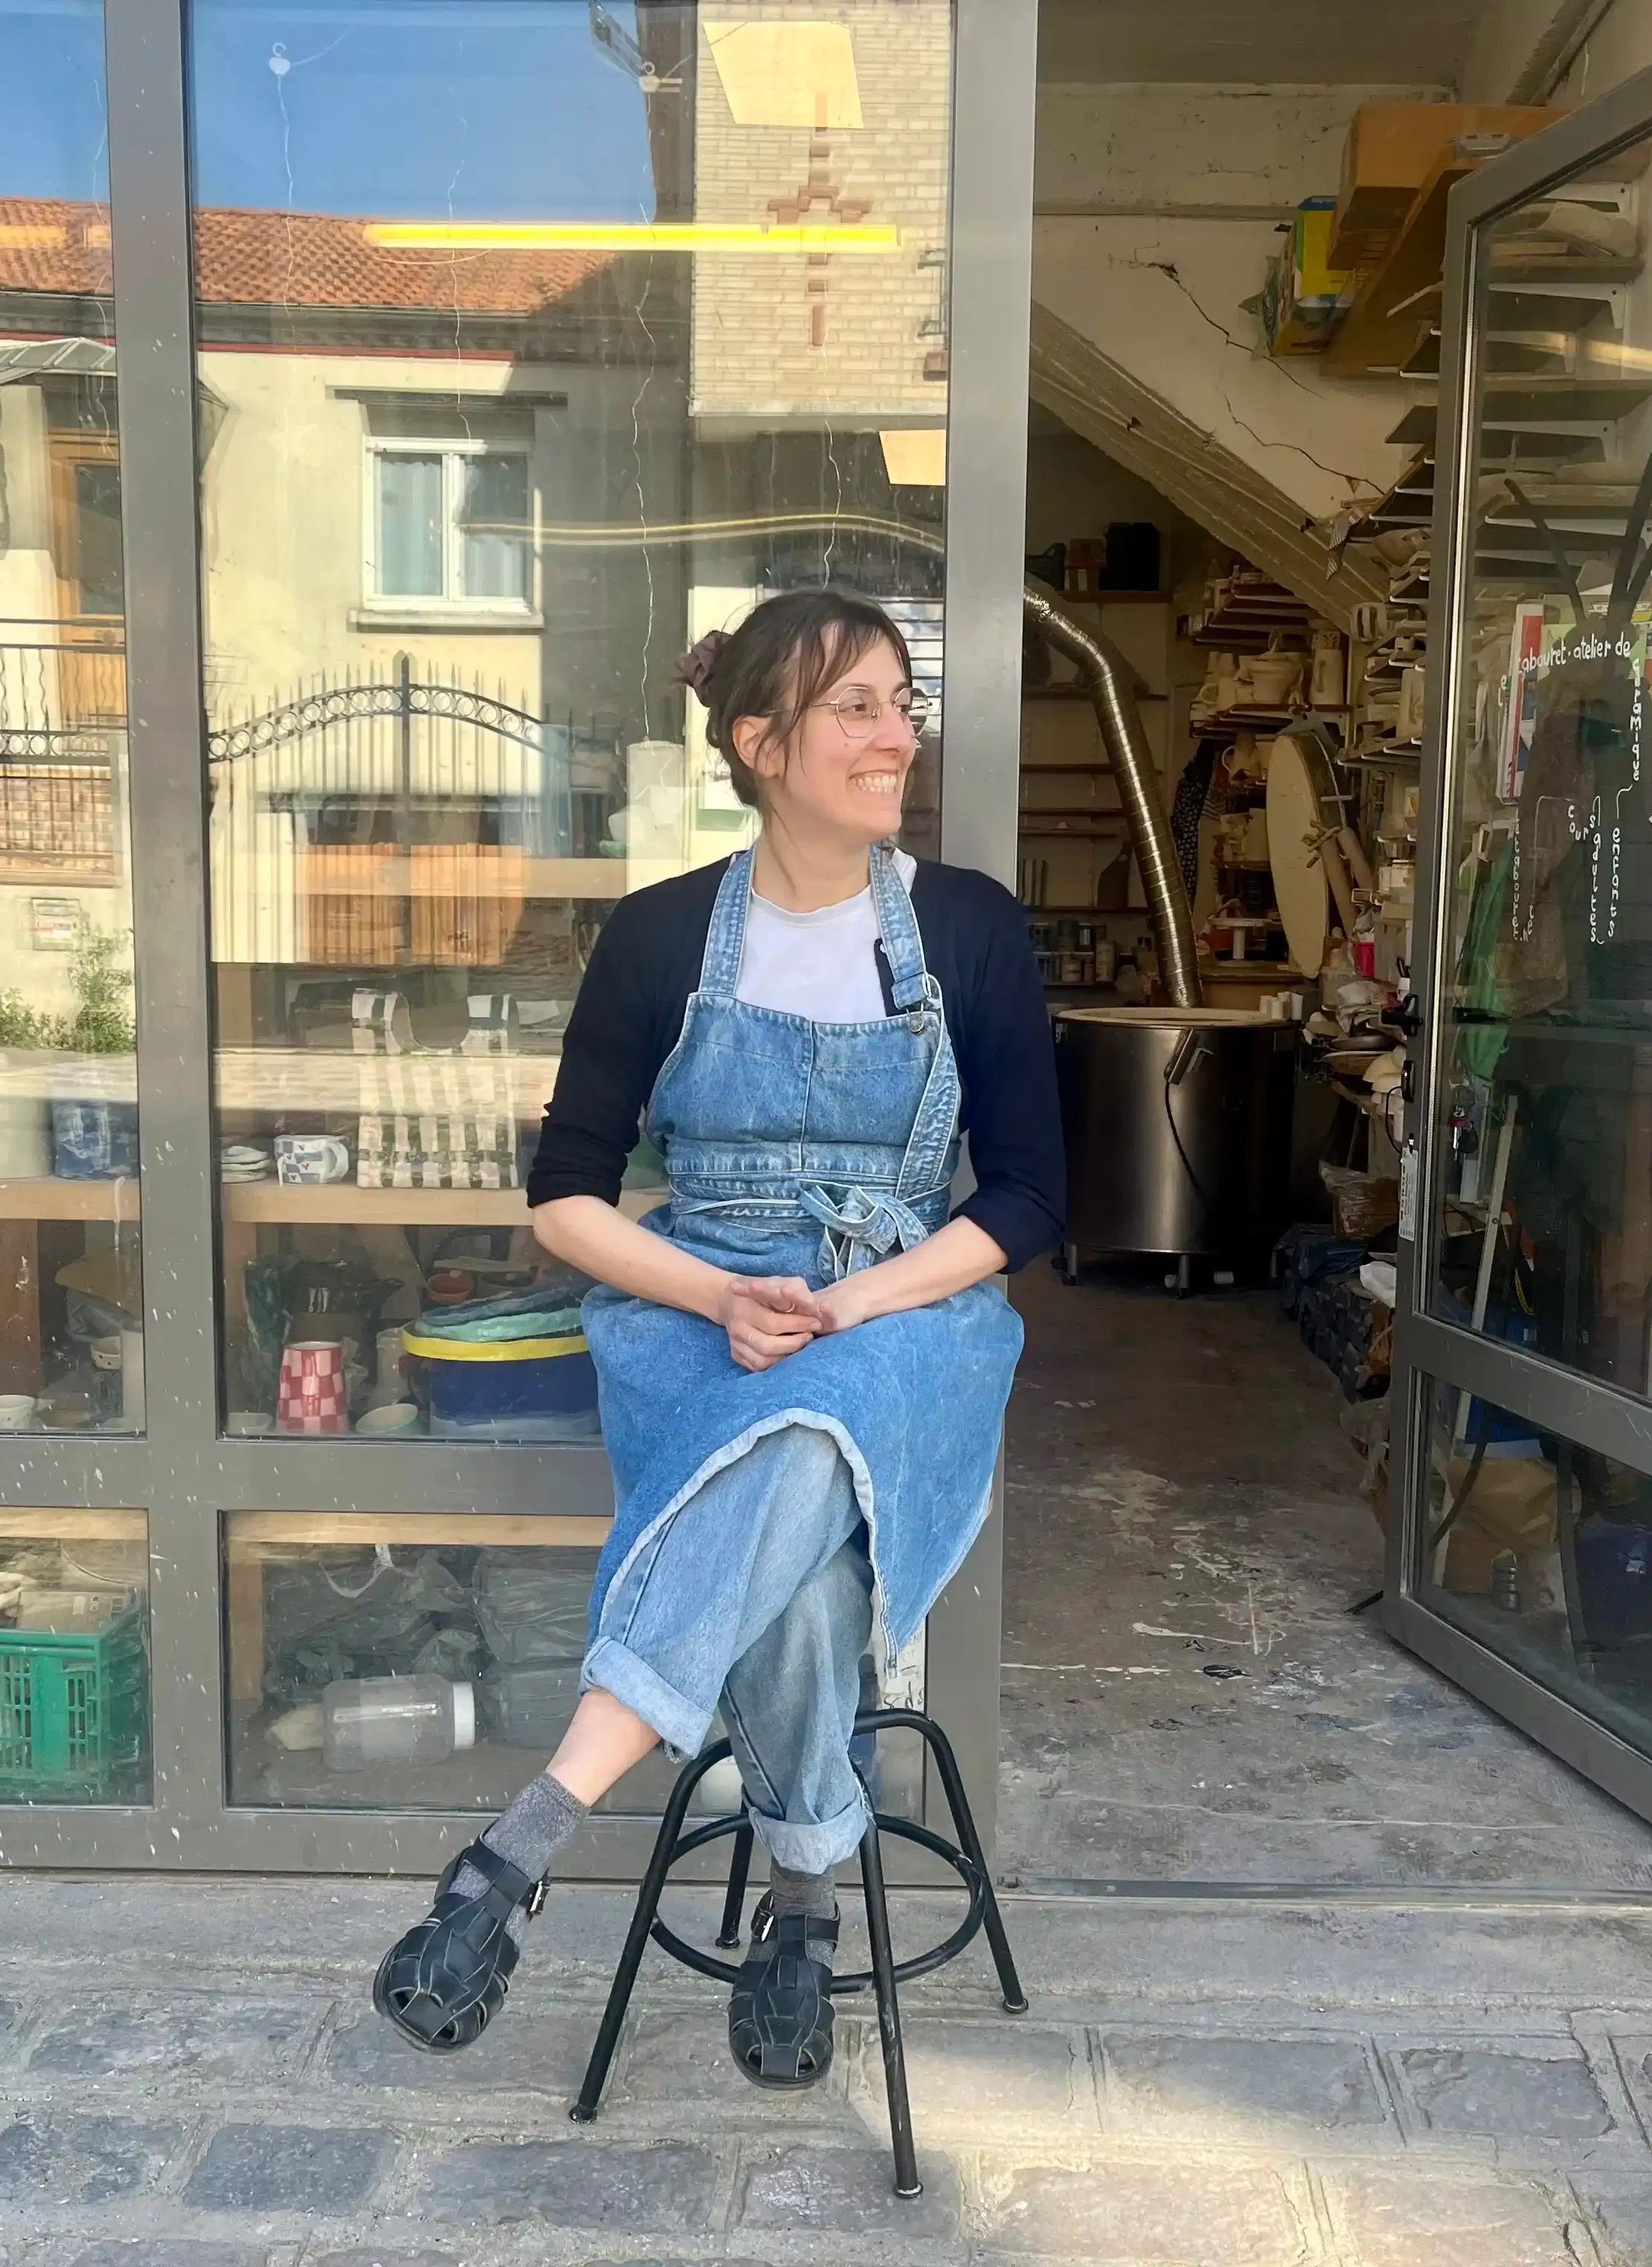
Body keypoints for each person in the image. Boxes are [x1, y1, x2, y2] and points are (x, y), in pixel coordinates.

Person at [373, 587, 1064, 2089]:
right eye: (857, 708)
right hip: (698, 1307)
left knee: (813, 1429)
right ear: (760, 742)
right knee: (803, 1569)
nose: (897, 737)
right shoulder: (661, 933)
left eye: (901, 705)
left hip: (905, 1307)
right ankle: (803, 1912)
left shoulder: (968, 928)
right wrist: (716, 1300)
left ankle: (522, 1844)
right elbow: (566, 1197)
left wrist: (847, 1307)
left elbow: (1029, 1199)